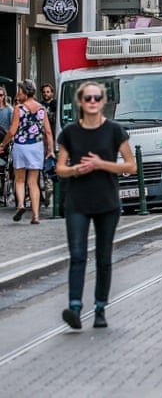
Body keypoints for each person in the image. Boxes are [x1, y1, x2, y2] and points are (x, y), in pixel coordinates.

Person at [54, 81, 136, 329]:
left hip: (107, 202)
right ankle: (75, 307)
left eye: (96, 98)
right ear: (80, 101)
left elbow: (131, 166)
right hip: (77, 201)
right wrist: (75, 170)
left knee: (103, 257)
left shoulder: (114, 131)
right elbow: (60, 168)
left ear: (103, 102)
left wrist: (102, 164)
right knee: (77, 256)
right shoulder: (69, 132)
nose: (92, 102)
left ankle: (100, 307)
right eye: (87, 98)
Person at [2, 80, 55, 224]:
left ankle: (20, 205)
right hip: (36, 147)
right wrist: (50, 149)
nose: (18, 95)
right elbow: (48, 132)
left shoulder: (19, 108)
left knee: (19, 180)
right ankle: (36, 216)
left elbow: (12, 131)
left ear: (25, 93)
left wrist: (3, 144)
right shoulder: (42, 108)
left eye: (20, 92)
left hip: (21, 145)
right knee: (33, 182)